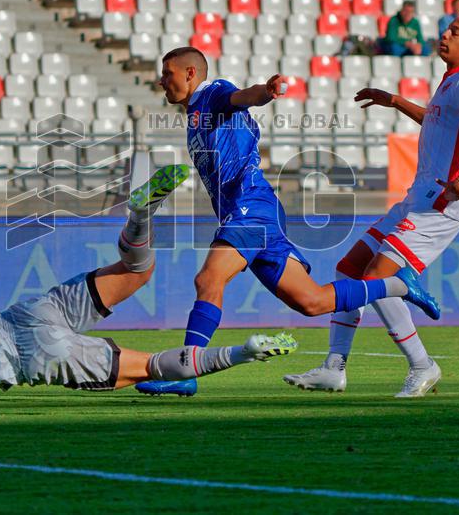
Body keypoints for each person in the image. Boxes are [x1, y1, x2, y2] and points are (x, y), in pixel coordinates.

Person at [0, 167, 300, 417]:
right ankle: (139, 218)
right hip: (29, 313)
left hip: (34, 353)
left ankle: (244, 351)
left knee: (150, 367)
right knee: (137, 270)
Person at [136, 48, 441, 397]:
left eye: (168, 73)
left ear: (190, 73)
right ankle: (398, 285)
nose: (162, 81)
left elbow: (242, 97)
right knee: (311, 302)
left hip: (251, 206)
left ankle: (185, 371)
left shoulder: (212, 93)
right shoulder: (196, 116)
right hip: (256, 211)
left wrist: (266, 92)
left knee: (208, 279)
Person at [284, 12, 459, 398]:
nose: (445, 34)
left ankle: (422, 364)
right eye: (447, 28)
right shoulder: (451, 81)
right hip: (417, 198)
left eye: (455, 32)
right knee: (350, 269)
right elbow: (436, 122)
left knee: (375, 278)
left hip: (439, 205)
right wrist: (396, 101)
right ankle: (334, 368)